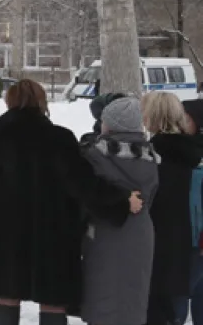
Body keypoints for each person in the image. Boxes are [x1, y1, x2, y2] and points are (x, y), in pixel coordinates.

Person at [0, 79, 143, 325]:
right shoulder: (58, 138)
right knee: (53, 297)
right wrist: (120, 202)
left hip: (7, 228)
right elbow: (82, 182)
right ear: (41, 102)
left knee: (7, 292)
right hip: (52, 229)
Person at [79, 96, 159, 325]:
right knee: (132, 299)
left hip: (105, 231)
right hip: (141, 233)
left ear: (111, 124)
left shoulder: (95, 154)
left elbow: (87, 192)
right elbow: (151, 197)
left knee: (103, 297)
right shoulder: (151, 155)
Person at [145, 92, 203, 325]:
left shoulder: (154, 155)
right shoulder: (193, 151)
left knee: (170, 302)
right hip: (195, 239)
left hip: (168, 241)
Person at [174, 100, 203, 325]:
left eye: (186, 116)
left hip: (197, 237)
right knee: (180, 295)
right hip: (185, 236)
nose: (181, 121)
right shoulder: (178, 148)